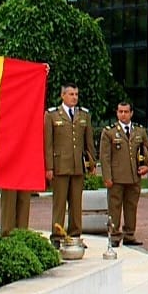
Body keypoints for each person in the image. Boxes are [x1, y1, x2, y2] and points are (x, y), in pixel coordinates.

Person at [44, 84, 96, 245]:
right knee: (59, 204)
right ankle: (57, 236)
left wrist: (91, 163)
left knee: (76, 204)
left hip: (77, 166)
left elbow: (88, 142)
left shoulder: (84, 115)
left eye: (76, 94)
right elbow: (48, 144)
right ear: (63, 96)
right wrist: (49, 167)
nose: (74, 97)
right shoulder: (52, 115)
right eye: (71, 94)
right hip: (60, 166)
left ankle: (75, 236)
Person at [99, 102, 148, 247]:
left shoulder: (139, 131)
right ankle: (114, 236)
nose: (123, 114)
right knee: (114, 208)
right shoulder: (109, 132)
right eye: (120, 111)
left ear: (131, 113)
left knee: (131, 207)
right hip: (116, 177)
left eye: (126, 112)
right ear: (117, 113)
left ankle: (129, 234)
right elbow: (104, 157)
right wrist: (107, 177)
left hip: (134, 177)